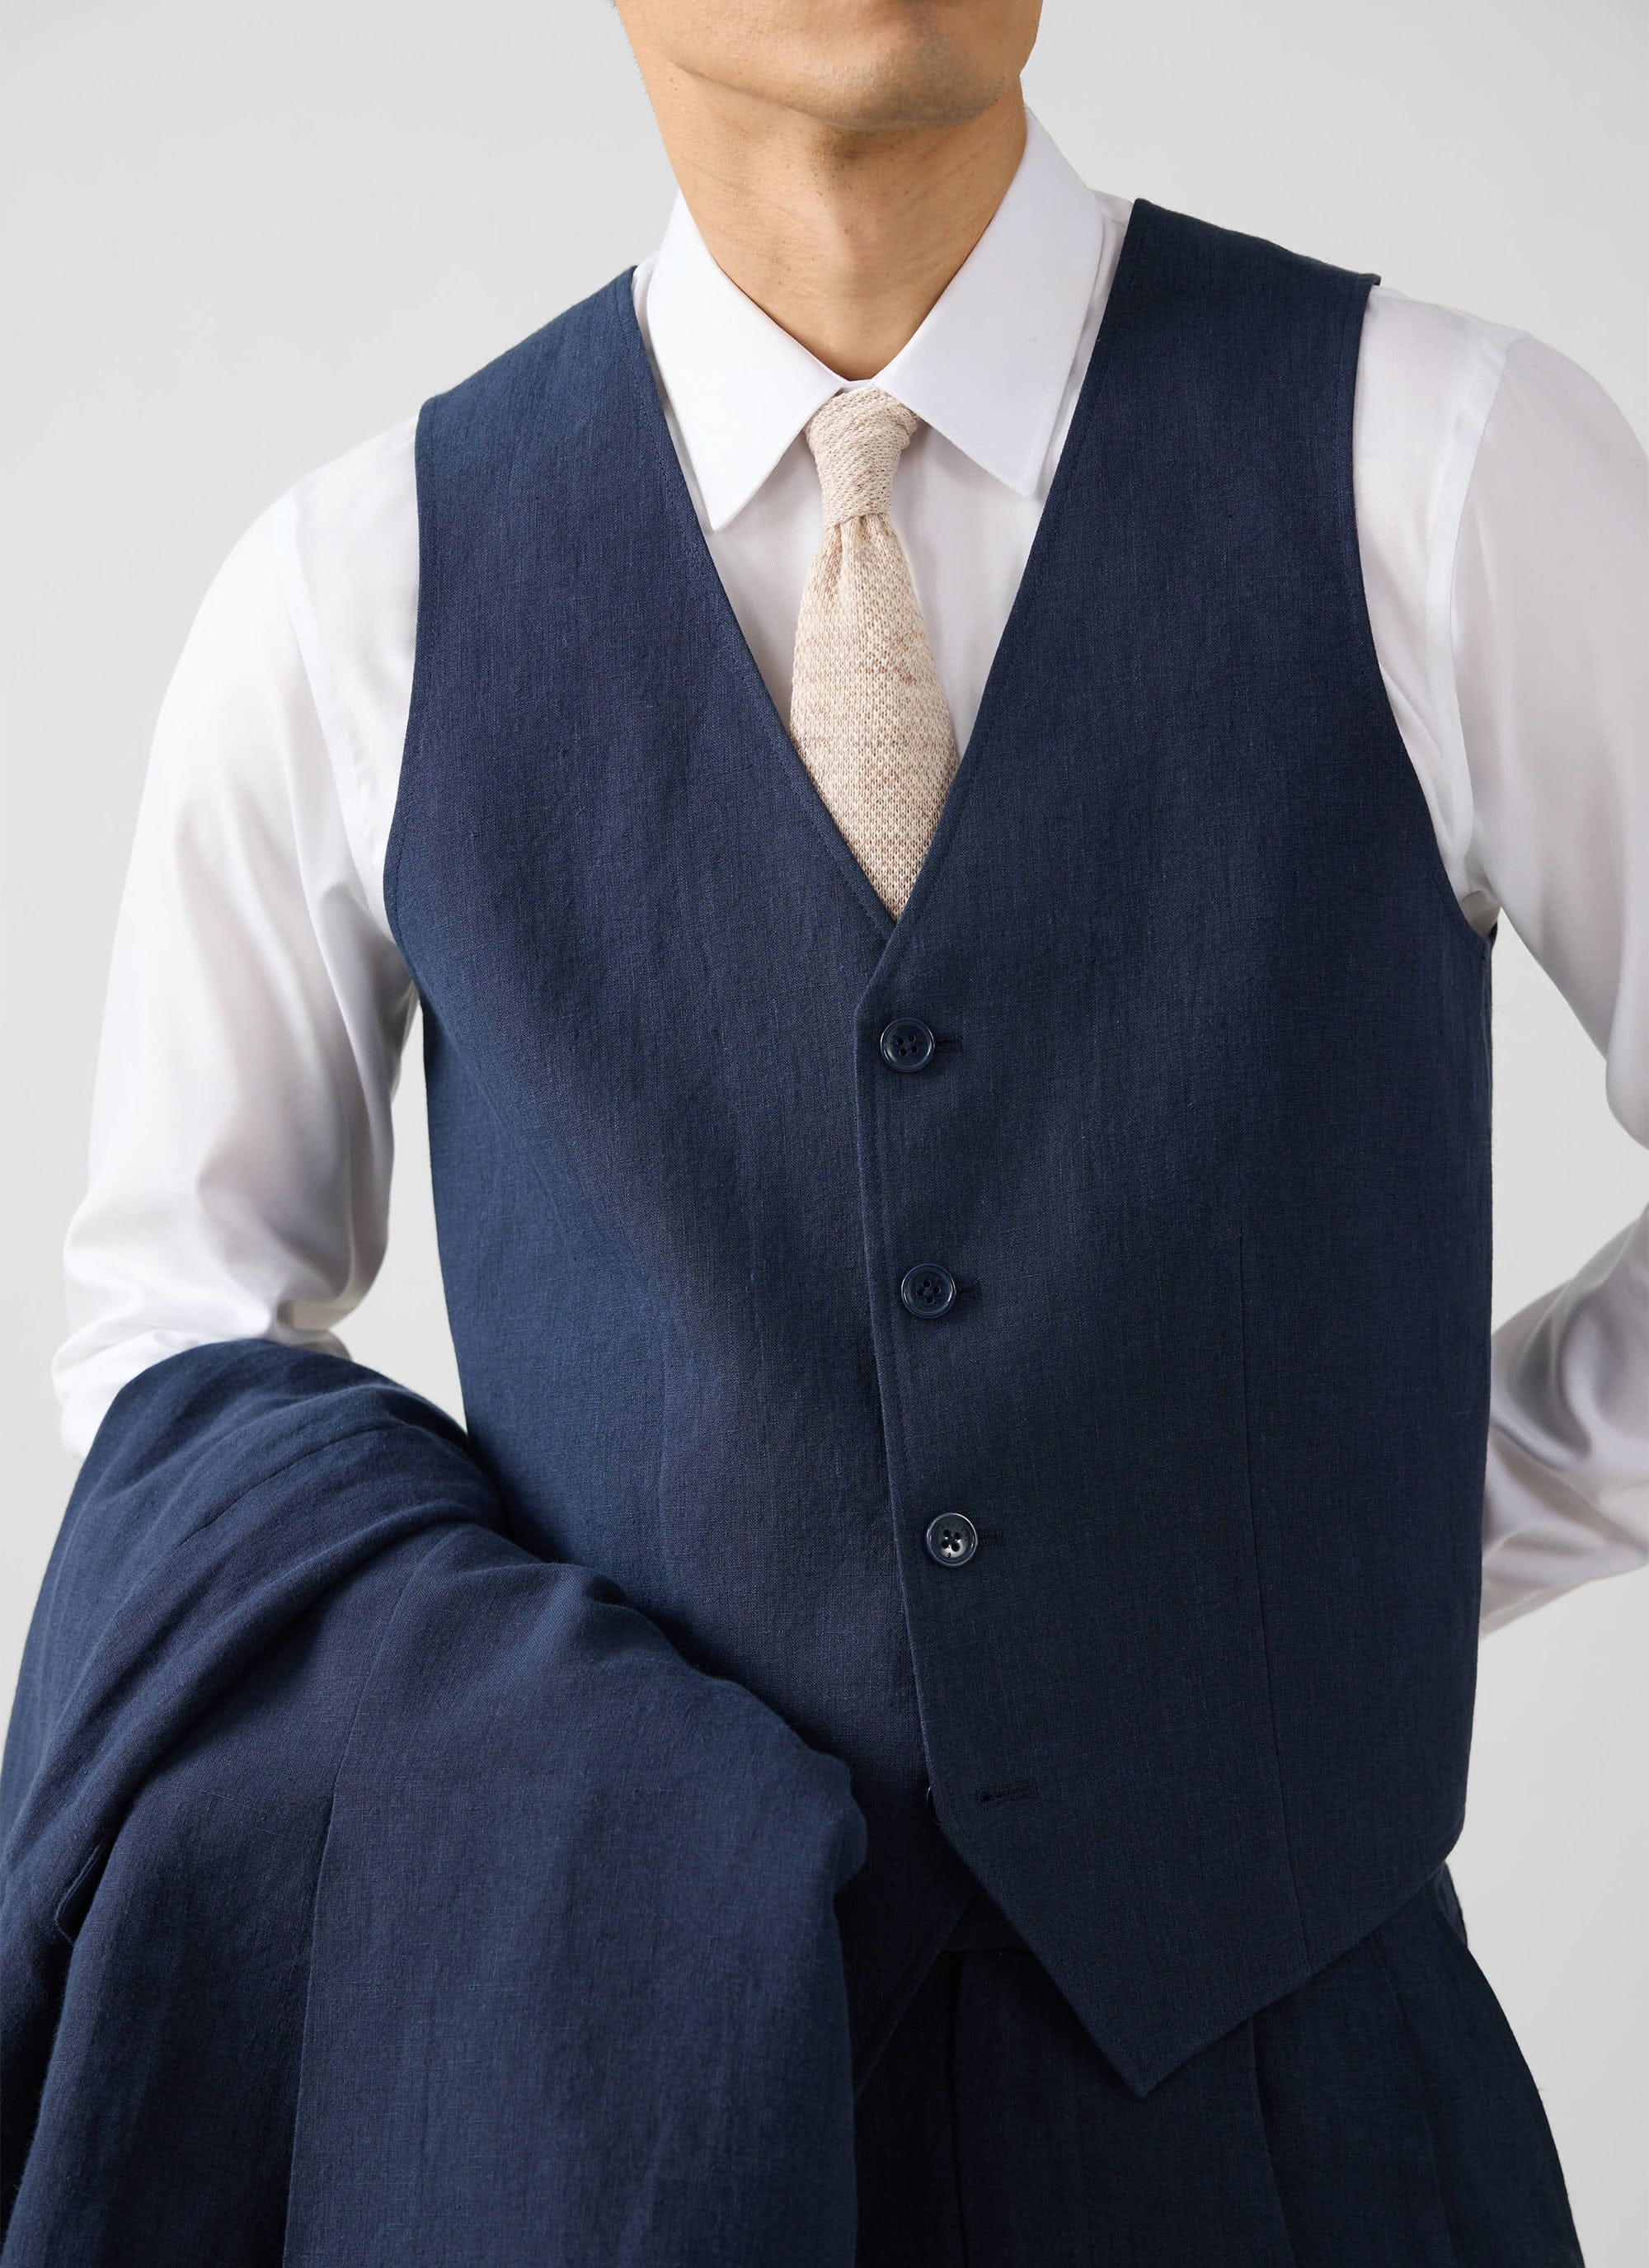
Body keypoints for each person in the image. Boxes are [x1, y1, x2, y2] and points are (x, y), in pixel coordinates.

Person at [17, 1, 1648, 2259]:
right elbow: (171, 1369)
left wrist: (1377, 1529)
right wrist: (549, 1758)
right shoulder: (348, 602)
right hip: (635, 2152)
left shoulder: (1447, 464)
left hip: (1306, 2133)